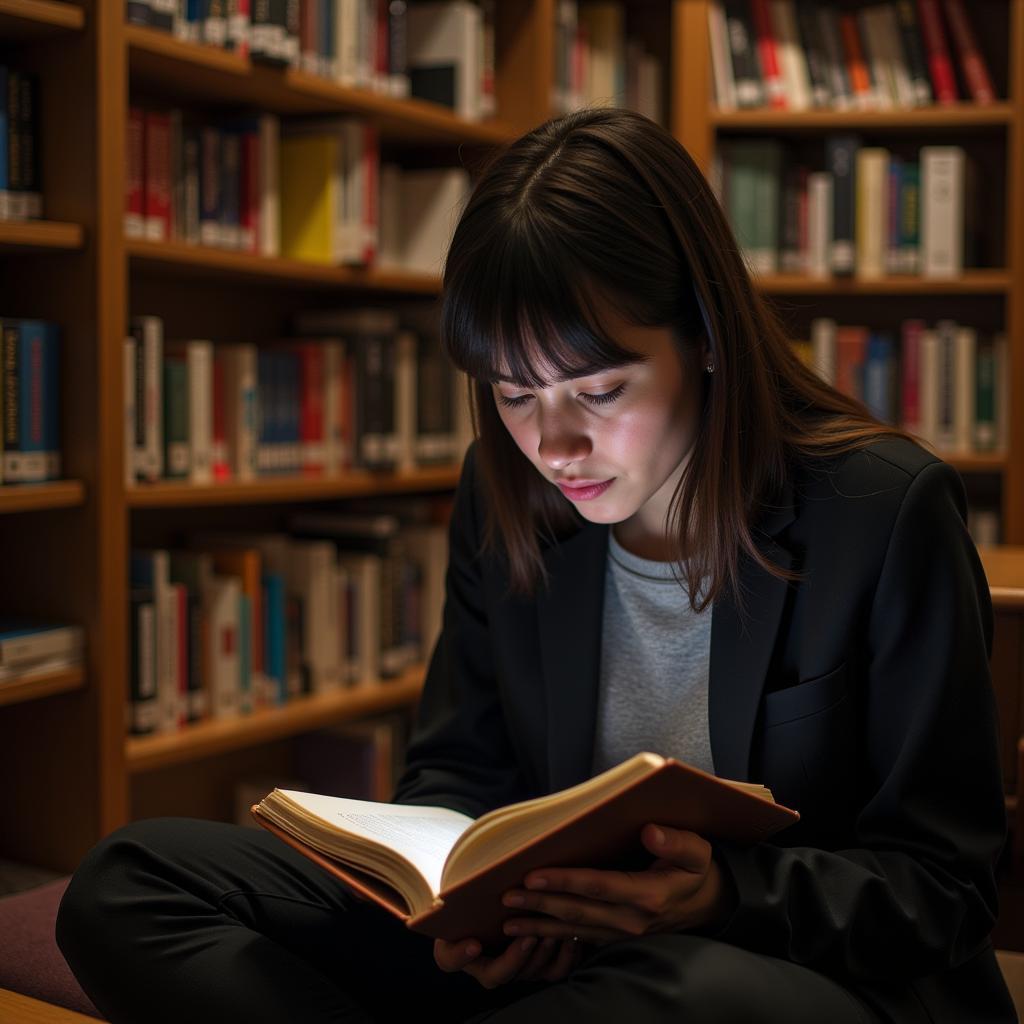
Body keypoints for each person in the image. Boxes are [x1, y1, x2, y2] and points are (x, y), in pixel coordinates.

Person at [56, 108, 1014, 1023]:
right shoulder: (505, 490)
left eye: (599, 389)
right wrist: (458, 905)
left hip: (782, 966)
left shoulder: (881, 510)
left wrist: (721, 893)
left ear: (707, 338)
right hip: (558, 955)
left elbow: (944, 884)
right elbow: (458, 768)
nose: (554, 445)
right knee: (132, 884)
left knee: (669, 998)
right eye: (515, 393)